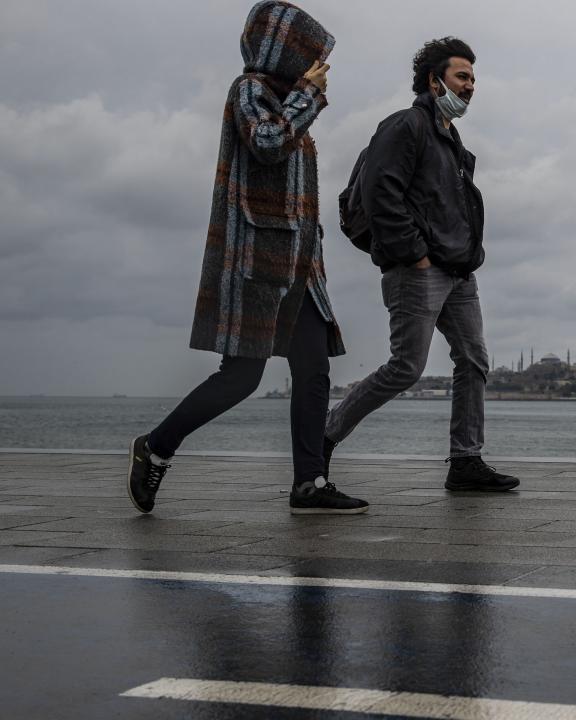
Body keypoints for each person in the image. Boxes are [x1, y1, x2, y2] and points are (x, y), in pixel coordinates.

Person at [127, 1, 368, 515]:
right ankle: (156, 447)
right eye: (311, 54)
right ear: (285, 49)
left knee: (313, 369)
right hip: (257, 261)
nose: (319, 65)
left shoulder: (285, 99)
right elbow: (267, 142)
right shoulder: (251, 91)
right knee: (242, 376)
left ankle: (310, 483)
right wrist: (309, 95)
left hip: (301, 268)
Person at [323, 37, 518, 492]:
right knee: (406, 368)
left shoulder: (450, 138)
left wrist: (465, 258)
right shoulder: (406, 125)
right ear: (434, 81)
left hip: (459, 273)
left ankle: (466, 461)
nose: (470, 86)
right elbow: (381, 193)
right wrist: (416, 255)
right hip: (419, 270)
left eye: (473, 79)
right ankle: (322, 437)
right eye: (462, 76)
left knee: (473, 360)